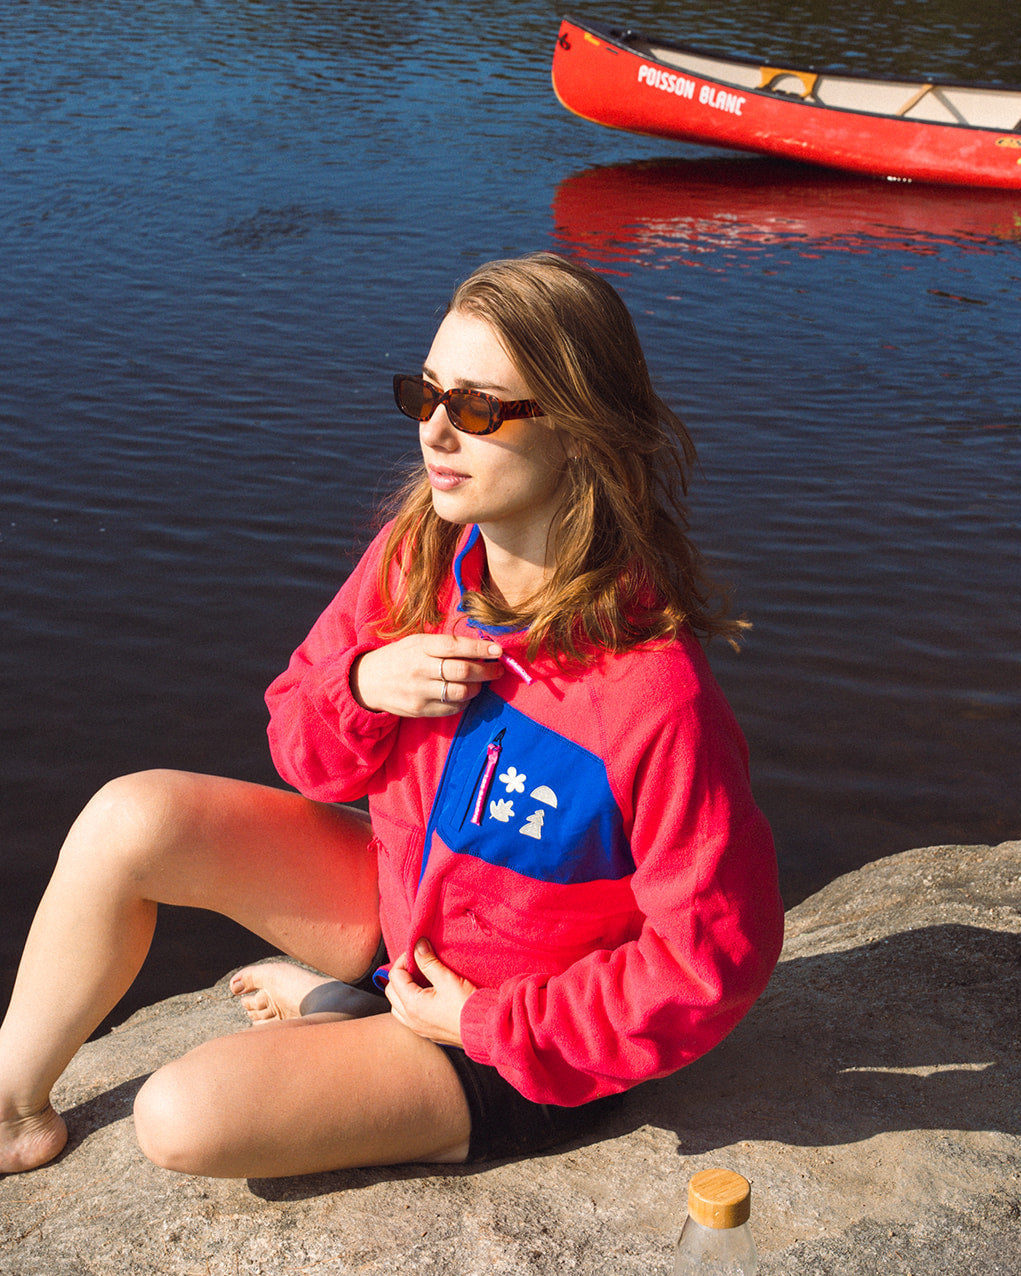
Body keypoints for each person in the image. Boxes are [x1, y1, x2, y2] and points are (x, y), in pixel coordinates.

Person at [0, 252, 783, 1179]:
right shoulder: (419, 557)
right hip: (403, 912)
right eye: (425, 394)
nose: (435, 431)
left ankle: (358, 1021)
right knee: (129, 818)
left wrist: (485, 1021)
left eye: (478, 409)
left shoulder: (650, 697)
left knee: (181, 1118)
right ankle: (11, 1110)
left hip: (517, 1041)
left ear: (579, 432)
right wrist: (363, 685)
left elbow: (709, 959)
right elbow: (305, 758)